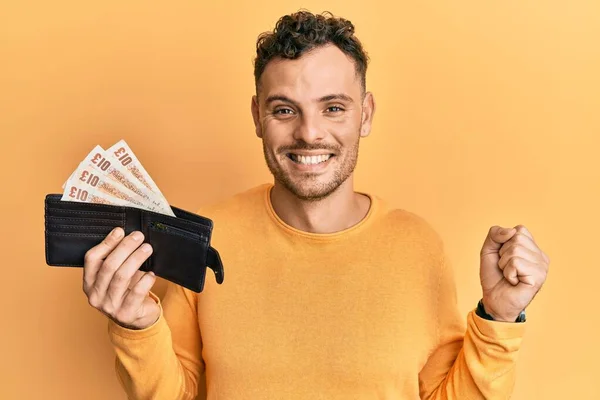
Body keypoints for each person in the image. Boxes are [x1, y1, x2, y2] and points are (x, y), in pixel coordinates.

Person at [82, 10, 550, 399]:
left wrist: (498, 318)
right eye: (285, 109)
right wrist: (138, 326)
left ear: (364, 114)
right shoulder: (211, 236)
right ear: (257, 117)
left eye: (333, 107)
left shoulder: (418, 245)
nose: (309, 133)